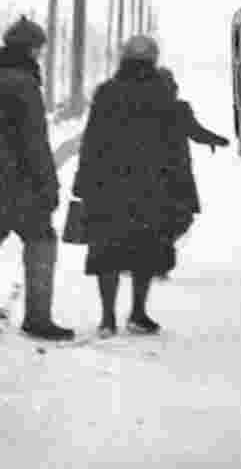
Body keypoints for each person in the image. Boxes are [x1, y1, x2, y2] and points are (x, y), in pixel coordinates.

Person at [73, 35, 197, 337]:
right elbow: (176, 149)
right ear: (154, 60)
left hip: (108, 185)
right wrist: (183, 190)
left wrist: (84, 182)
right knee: (145, 249)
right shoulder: (162, 94)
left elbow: (91, 141)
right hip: (152, 187)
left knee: (107, 250)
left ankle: (106, 319)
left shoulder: (106, 92)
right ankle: (138, 314)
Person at [0, 16, 74, 342]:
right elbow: (34, 141)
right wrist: (49, 185)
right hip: (22, 185)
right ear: (31, 49)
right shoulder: (25, 83)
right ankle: (38, 318)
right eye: (39, 49)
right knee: (42, 241)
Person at [158, 68, 230, 151]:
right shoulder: (179, 109)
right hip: (175, 161)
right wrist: (217, 140)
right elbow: (197, 133)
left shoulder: (141, 109)